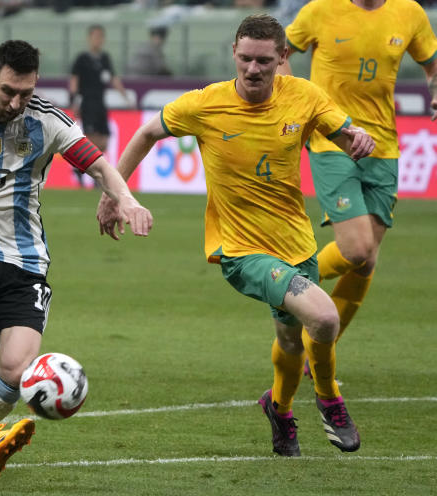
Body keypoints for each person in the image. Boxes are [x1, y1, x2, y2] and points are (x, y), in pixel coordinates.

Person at [97, 14, 374, 457]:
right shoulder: (206, 104)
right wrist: (116, 194)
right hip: (241, 251)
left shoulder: (303, 96)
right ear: (233, 54)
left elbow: (344, 135)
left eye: (264, 60)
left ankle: (279, 409)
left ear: (283, 58)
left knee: (289, 342)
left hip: (296, 244)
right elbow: (147, 132)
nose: (252, 69)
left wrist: (357, 139)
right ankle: (330, 399)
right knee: (323, 318)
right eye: (245, 58)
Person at [0, 39, 153, 481]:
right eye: (8, 91)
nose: (17, 102)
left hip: (24, 258)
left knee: (17, 369)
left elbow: (97, 165)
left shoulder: (48, 120)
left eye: (26, 92)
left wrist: (127, 199)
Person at [279, 0, 437, 376]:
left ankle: (318, 349)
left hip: (383, 147)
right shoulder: (319, 10)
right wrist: (294, 98)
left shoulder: (410, 13)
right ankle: (289, 282)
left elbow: (432, 63)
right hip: (333, 139)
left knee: (366, 261)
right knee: (356, 248)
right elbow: (281, 51)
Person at [69, 24, 133, 186]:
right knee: (90, 139)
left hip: (100, 103)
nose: (98, 40)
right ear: (89, 38)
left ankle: (82, 167)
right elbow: (74, 82)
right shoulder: (82, 59)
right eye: (95, 36)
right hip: (87, 102)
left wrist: (126, 97)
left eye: (100, 36)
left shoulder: (105, 58)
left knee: (104, 140)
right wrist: (75, 101)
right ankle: (93, 173)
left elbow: (113, 79)